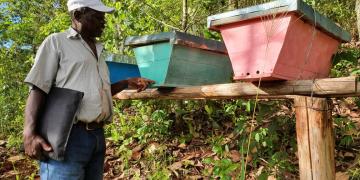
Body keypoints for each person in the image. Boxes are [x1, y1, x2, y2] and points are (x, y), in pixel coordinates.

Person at [23, 0, 154, 179]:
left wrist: (126, 83)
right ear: (77, 15)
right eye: (98, 17)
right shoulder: (57, 42)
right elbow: (38, 87)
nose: (104, 22)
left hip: (97, 137)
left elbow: (97, 92)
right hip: (67, 136)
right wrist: (29, 134)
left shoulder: (98, 51)